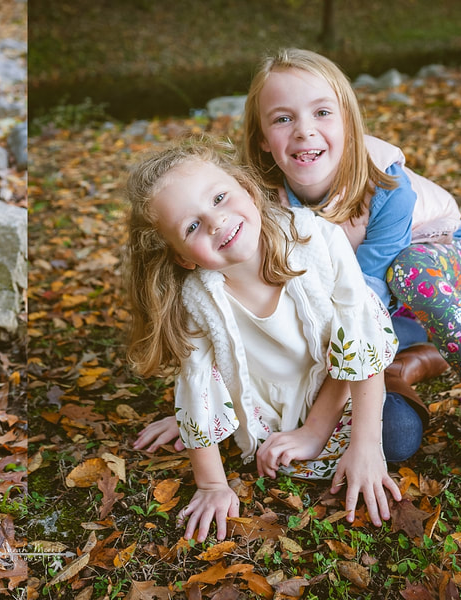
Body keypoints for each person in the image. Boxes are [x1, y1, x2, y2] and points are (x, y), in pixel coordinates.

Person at [238, 48, 461, 541]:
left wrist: (319, 426)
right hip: (372, 297)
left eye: (323, 112)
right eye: (283, 118)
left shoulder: (387, 187)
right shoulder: (259, 197)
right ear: (262, 138)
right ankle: (412, 356)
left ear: (349, 120)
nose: (304, 131)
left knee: (409, 274)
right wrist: (214, 399)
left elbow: (362, 313)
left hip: (439, 252)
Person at [124, 136, 414, 543]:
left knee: (396, 433)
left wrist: (359, 445)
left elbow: (357, 339)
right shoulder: (198, 298)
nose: (216, 221)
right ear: (182, 257)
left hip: (343, 378)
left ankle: (411, 349)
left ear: (246, 186)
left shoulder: (315, 240)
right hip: (274, 400)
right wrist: (211, 484)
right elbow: (196, 382)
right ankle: (405, 347)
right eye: (192, 226)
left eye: (220, 197)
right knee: (275, 455)